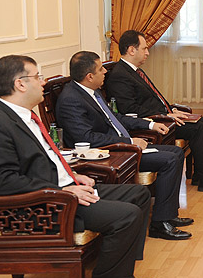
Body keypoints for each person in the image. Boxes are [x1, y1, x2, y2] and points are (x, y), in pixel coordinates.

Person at [0, 55, 154, 278]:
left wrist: (72, 175)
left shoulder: (21, 115)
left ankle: (120, 275)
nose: (43, 82)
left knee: (139, 195)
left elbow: (42, 160)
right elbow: (4, 183)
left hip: (60, 190)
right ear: (20, 84)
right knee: (126, 215)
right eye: (38, 77)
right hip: (41, 205)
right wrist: (64, 191)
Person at [56, 51, 193, 241]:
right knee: (169, 159)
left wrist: (150, 125)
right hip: (109, 153)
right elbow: (86, 138)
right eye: (101, 69)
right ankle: (160, 224)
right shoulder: (71, 99)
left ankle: (167, 215)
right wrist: (129, 142)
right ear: (89, 76)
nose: (105, 71)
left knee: (176, 153)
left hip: (121, 145)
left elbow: (116, 118)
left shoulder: (91, 91)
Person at [105, 30, 203, 193]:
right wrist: (165, 115)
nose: (147, 53)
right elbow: (129, 110)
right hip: (151, 123)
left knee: (201, 122)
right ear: (131, 50)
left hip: (161, 116)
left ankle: (201, 176)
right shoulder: (120, 75)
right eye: (144, 48)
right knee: (199, 127)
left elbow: (153, 98)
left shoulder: (134, 71)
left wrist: (171, 109)